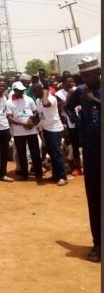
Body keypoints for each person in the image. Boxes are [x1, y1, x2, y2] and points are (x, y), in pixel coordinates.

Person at [65, 57, 101, 262]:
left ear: (99, 72)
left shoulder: (91, 93)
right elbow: (68, 108)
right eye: (83, 76)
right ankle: (98, 243)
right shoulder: (80, 91)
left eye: (90, 75)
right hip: (91, 151)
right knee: (94, 198)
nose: (86, 79)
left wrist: (93, 100)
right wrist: (80, 124)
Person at [31, 84, 68, 186]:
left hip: (55, 129)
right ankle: (56, 174)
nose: (34, 94)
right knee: (51, 154)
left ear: (41, 90)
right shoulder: (38, 100)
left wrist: (45, 93)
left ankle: (62, 177)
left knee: (57, 153)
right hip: (46, 129)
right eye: (33, 91)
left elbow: (46, 104)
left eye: (36, 91)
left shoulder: (51, 98)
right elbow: (40, 114)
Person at [6, 82, 42, 181]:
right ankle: (24, 174)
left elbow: (35, 113)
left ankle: (39, 173)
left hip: (32, 131)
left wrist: (32, 123)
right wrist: (23, 124)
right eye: (19, 90)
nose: (22, 92)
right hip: (18, 132)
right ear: (14, 90)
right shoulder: (9, 102)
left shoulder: (29, 99)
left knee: (35, 152)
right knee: (21, 154)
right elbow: (10, 118)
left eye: (22, 90)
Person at [55, 74, 81, 175]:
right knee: (73, 145)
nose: (72, 83)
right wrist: (69, 96)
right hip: (69, 122)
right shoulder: (59, 94)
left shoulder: (78, 90)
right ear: (63, 83)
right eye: (69, 82)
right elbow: (62, 108)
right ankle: (76, 166)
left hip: (81, 120)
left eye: (72, 81)